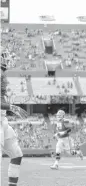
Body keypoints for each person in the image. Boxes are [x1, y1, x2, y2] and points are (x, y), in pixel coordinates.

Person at [1, 47, 28, 186]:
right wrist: (12, 107)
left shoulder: (2, 75)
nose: (6, 59)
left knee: (16, 155)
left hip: (2, 121)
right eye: (3, 56)